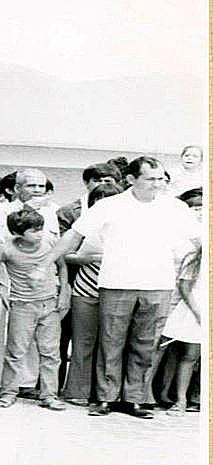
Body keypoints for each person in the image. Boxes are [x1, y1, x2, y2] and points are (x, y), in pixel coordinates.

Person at [35, 156, 200, 419]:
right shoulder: (109, 206)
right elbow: (74, 235)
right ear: (131, 180)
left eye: (160, 179)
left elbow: (201, 240)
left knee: (145, 345)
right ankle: (105, 398)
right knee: (111, 343)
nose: (157, 184)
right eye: (150, 179)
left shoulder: (175, 208)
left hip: (158, 285)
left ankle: (134, 399)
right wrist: (45, 262)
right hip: (116, 284)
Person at [0, 208, 68, 410]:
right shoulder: (7, 249)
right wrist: (1, 288)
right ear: (18, 233)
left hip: (49, 304)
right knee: (16, 352)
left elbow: (62, 266)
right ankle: (8, 392)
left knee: (51, 353)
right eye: (33, 231)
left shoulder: (50, 243)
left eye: (40, 229)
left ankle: (49, 395)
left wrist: (64, 294)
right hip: (21, 305)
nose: (39, 234)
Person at [62, 184, 122, 405]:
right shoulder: (86, 226)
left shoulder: (131, 227)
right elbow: (66, 254)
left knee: (111, 344)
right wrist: (88, 258)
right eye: (100, 199)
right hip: (86, 288)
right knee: (83, 341)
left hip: (118, 291)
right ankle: (77, 391)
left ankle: (104, 393)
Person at [161, 245, 202, 415]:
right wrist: (198, 312)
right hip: (196, 307)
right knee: (190, 355)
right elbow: (184, 286)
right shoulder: (197, 258)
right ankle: (181, 401)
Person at [57, 162, 122, 236]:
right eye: (97, 181)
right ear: (86, 183)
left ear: (117, 184)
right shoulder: (68, 212)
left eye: (107, 181)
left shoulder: (126, 208)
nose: (102, 184)